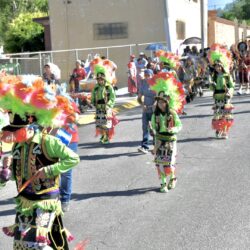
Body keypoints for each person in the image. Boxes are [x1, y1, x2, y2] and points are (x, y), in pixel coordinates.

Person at [0, 75, 80, 249]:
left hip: (45, 200)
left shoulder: (48, 142)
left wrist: (50, 170)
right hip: (24, 202)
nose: (15, 135)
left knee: (37, 244)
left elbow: (73, 158)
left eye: (19, 130)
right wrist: (5, 172)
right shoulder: (17, 147)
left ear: (30, 126)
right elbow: (15, 176)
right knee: (22, 245)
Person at [150, 73, 183, 193]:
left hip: (171, 140)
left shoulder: (173, 114)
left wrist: (173, 129)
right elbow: (153, 127)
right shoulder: (155, 114)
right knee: (159, 163)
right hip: (159, 140)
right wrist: (152, 129)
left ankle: (173, 178)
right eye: (159, 102)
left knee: (169, 162)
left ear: (168, 102)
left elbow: (179, 125)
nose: (161, 104)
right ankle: (163, 183)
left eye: (163, 102)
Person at [91, 67, 117, 144]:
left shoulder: (108, 87)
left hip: (107, 107)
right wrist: (92, 102)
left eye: (101, 79)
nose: (100, 81)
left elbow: (112, 97)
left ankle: (107, 137)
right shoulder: (96, 88)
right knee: (100, 123)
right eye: (98, 79)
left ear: (104, 79)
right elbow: (93, 96)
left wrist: (108, 105)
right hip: (99, 106)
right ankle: (103, 136)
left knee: (106, 123)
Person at [210, 60, 235, 139]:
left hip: (225, 96)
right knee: (217, 114)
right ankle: (218, 130)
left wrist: (229, 92)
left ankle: (225, 131)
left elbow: (231, 86)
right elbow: (212, 88)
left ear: (222, 67)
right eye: (216, 67)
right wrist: (211, 85)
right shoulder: (214, 76)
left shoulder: (226, 75)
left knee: (225, 114)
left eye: (219, 66)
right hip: (217, 97)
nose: (217, 68)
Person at [137, 69, 156, 154]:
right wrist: (142, 105)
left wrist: (155, 103)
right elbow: (139, 98)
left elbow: (159, 96)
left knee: (155, 128)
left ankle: (156, 146)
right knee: (145, 128)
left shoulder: (156, 84)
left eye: (149, 75)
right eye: (146, 75)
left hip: (154, 110)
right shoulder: (143, 83)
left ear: (152, 75)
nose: (147, 77)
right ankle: (144, 146)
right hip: (146, 109)